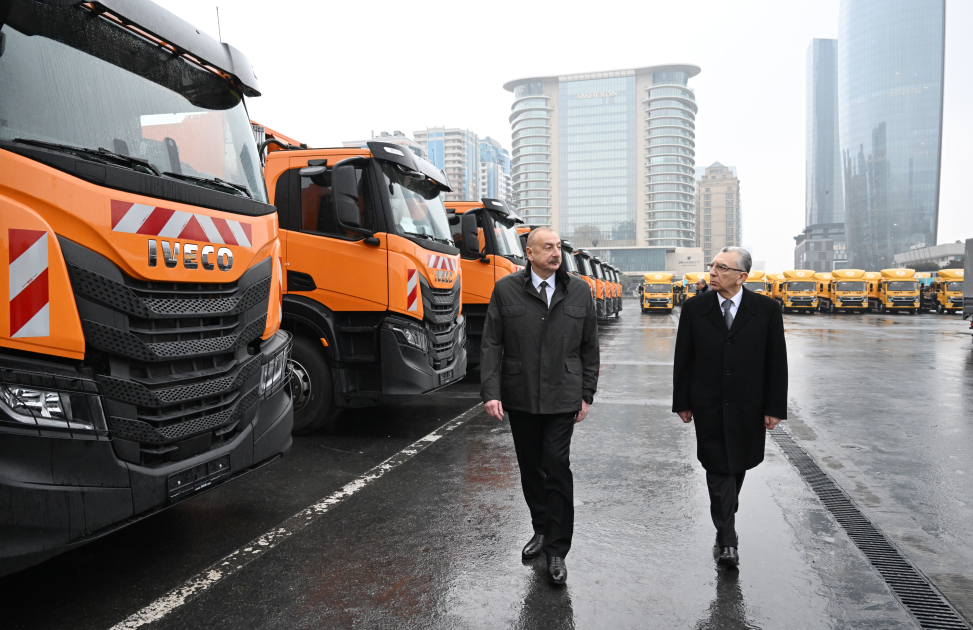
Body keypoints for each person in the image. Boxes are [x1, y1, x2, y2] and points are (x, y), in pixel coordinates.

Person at [480, 227, 599, 585]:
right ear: (529, 254)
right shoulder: (506, 290)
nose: (555, 252)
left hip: (564, 394)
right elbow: (491, 344)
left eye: (558, 246)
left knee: (556, 465)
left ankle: (558, 550)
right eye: (547, 247)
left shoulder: (579, 290)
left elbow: (590, 348)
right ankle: (541, 530)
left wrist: (587, 393)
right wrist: (491, 392)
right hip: (522, 394)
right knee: (531, 468)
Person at [672, 246, 787, 568]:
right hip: (707, 403)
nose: (712, 272)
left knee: (737, 466)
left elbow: (776, 362)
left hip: (749, 405)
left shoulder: (766, 309)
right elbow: (684, 358)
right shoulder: (695, 308)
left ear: (742, 276)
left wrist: (775, 407)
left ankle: (726, 515)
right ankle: (727, 539)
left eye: (722, 267)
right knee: (718, 467)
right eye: (712, 266)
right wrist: (682, 401)